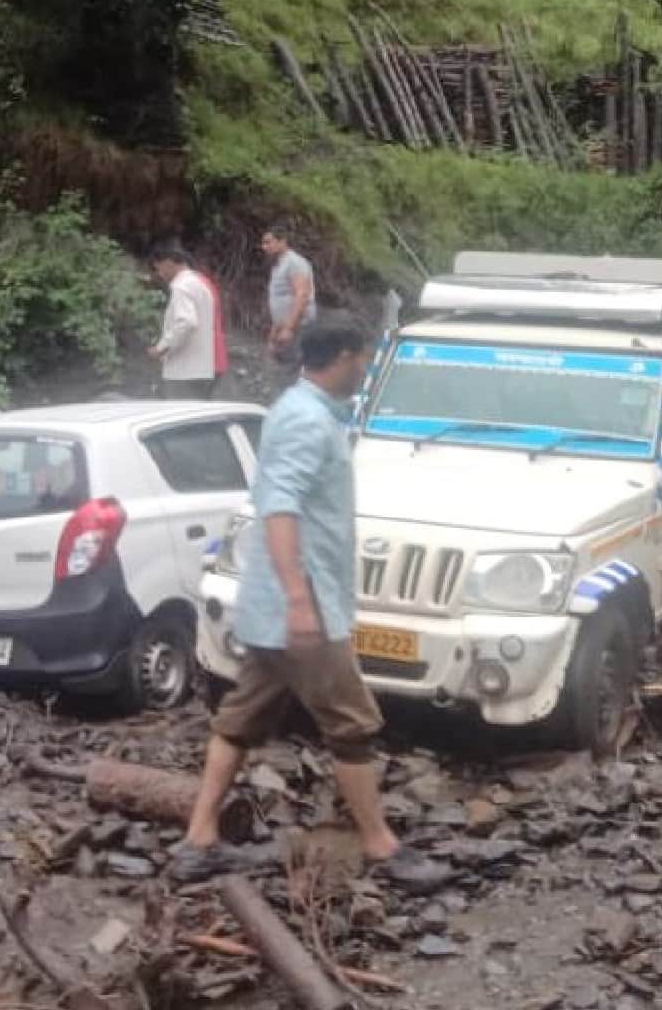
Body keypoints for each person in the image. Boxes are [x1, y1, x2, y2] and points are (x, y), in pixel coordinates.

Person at [182, 313, 418, 875]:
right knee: (351, 722)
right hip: (301, 609)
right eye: (362, 358)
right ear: (342, 357)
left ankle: (198, 839)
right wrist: (298, 599)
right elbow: (280, 507)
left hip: (276, 610)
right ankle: (381, 846)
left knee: (240, 716)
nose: (364, 369)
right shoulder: (308, 423)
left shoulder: (299, 411)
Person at [147, 244, 226, 399]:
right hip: (210, 364)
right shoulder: (202, 282)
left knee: (180, 415)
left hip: (188, 369)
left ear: (168, 263)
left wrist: (161, 348)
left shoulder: (181, 286)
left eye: (159, 268)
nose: (159, 274)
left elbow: (186, 322)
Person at [260, 224, 316, 383]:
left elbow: (302, 294)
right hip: (286, 328)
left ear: (282, 241)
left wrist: (289, 328)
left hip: (299, 327)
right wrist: (273, 335)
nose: (264, 247)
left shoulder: (294, 263)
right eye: (263, 243)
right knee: (283, 372)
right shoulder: (278, 265)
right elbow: (280, 303)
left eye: (268, 242)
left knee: (290, 373)